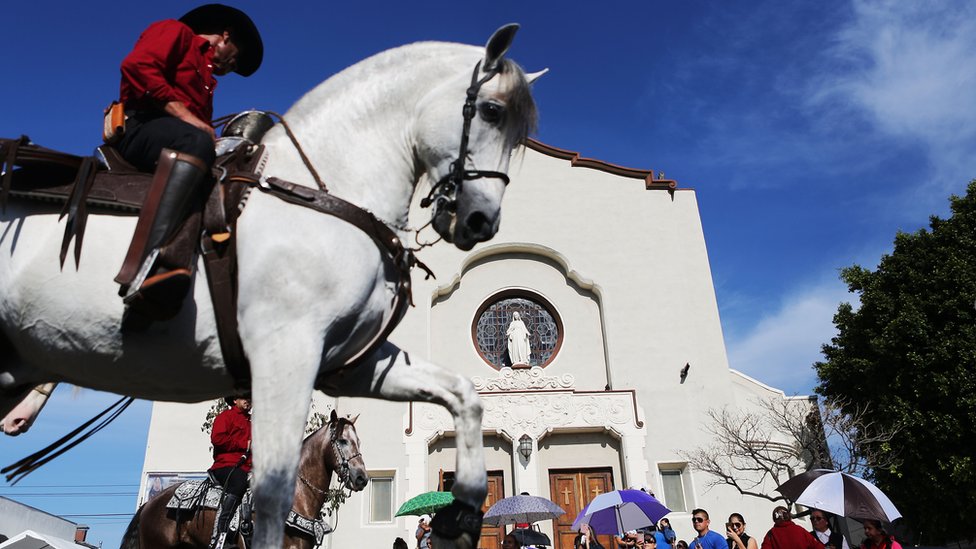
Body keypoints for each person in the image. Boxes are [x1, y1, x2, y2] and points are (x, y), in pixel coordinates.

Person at [112, 4, 263, 310]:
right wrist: (189, 119)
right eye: (233, 60)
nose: (229, 68)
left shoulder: (208, 83)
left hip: (180, 138)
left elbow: (203, 131)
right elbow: (137, 66)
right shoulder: (175, 31)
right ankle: (151, 261)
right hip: (142, 126)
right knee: (195, 140)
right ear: (225, 35)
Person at [209, 395, 252, 547]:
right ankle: (222, 530)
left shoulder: (253, 424)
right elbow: (217, 438)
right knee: (239, 481)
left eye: (251, 397)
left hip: (248, 468)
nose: (249, 399)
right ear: (234, 400)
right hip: (225, 466)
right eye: (245, 397)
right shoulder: (225, 417)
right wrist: (243, 445)